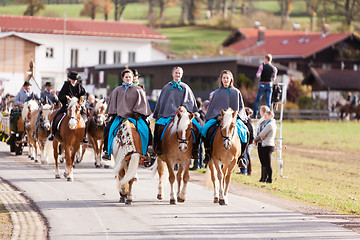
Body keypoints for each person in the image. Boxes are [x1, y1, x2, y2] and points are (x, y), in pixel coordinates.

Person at [152, 66, 201, 160]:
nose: (177, 74)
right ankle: (157, 148)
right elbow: (162, 102)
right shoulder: (166, 88)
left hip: (184, 116)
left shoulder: (186, 87)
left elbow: (190, 103)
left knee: (198, 128)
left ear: (182, 75)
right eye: (176, 73)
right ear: (172, 74)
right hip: (168, 115)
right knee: (158, 126)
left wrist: (183, 111)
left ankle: (195, 150)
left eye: (179, 73)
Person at [201, 70, 248, 167]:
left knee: (245, 132)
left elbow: (240, 108)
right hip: (218, 118)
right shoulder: (216, 93)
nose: (225, 80)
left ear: (231, 79)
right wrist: (217, 115)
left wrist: (235, 117)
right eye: (224, 78)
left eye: (227, 78)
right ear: (221, 80)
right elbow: (213, 108)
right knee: (205, 130)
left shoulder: (236, 92)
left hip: (233, 119)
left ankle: (241, 157)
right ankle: (208, 153)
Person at [102, 68, 152, 160]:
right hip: (120, 117)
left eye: (130, 77)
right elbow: (113, 104)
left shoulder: (138, 90)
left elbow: (142, 104)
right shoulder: (117, 90)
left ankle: (148, 150)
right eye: (126, 77)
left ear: (133, 78)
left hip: (135, 117)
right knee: (108, 129)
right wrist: (115, 113)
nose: (128, 78)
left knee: (146, 128)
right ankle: (106, 151)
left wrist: (137, 112)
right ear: (123, 78)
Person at [48, 71, 88, 143]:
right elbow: (60, 96)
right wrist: (65, 97)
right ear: (70, 79)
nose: (74, 80)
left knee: (85, 118)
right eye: (73, 79)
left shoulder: (79, 86)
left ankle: (84, 136)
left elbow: (84, 94)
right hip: (67, 105)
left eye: (75, 79)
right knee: (56, 116)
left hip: (77, 106)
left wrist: (82, 97)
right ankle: (53, 134)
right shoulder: (66, 85)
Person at [254, 110, 277, 183]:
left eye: (266, 115)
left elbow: (262, 133)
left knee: (267, 163)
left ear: (270, 115)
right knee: (264, 162)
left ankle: (269, 179)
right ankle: (263, 178)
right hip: (265, 144)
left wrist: (255, 139)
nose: (264, 117)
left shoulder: (270, 124)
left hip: (268, 145)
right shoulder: (267, 123)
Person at [252, 54, 278, 118]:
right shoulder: (274, 68)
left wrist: (260, 74)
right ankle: (268, 115)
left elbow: (258, 75)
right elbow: (274, 78)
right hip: (269, 85)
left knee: (258, 100)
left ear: (266, 59)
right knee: (268, 101)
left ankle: (255, 114)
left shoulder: (262, 66)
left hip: (262, 84)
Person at [190, 97, 205, 170]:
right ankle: (200, 164)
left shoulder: (197, 116)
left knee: (199, 148)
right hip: (201, 131)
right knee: (200, 148)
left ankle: (198, 164)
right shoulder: (201, 113)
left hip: (199, 133)